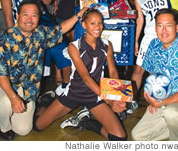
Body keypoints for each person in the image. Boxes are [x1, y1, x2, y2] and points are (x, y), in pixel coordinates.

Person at [0, 0, 88, 140]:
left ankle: (12, 109)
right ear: (17, 17)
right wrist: (14, 97)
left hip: (28, 88)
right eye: (25, 15)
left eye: (34, 15)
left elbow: (61, 29)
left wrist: (80, 14)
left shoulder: (40, 33)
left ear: (38, 18)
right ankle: (3, 127)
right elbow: (1, 74)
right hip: (3, 85)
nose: (29, 19)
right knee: (5, 103)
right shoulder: (5, 39)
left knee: (23, 130)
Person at [33, 8, 127, 141]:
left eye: (100, 23)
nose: (98, 27)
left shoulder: (107, 45)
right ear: (84, 25)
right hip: (74, 93)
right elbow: (86, 77)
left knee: (119, 138)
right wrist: (109, 100)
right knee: (38, 126)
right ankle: (46, 101)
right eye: (92, 23)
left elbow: (113, 72)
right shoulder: (74, 47)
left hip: (95, 96)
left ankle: (85, 122)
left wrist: (117, 98)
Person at [131, 8, 178, 141]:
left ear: (177, 28)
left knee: (172, 113)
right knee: (138, 136)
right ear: (155, 28)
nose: (164, 30)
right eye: (160, 26)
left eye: (169, 26)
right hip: (164, 98)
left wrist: (160, 103)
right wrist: (153, 96)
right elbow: (151, 73)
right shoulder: (154, 45)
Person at [54, 0, 95, 95]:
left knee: (74, 47)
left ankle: (73, 76)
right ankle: (59, 76)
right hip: (62, 17)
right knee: (59, 47)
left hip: (77, 17)